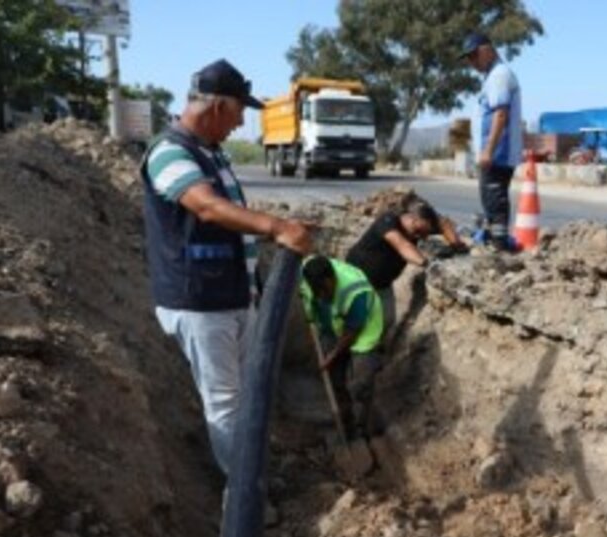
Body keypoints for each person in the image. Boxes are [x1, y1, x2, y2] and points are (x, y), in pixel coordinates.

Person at [141, 59, 312, 475]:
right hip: (199, 301)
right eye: (239, 113)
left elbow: (232, 213)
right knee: (224, 403)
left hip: (234, 294)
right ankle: (243, 493)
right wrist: (275, 227)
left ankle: (253, 466)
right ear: (219, 107)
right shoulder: (169, 152)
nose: (241, 124)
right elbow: (207, 207)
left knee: (246, 392)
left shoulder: (211, 153)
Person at [346, 196, 466, 338]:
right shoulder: (388, 221)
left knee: (387, 320)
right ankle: (344, 349)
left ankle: (374, 348)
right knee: (352, 320)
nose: (422, 237)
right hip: (355, 278)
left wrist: (456, 245)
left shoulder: (421, 226)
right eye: (419, 232)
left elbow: (444, 223)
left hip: (381, 284)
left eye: (425, 233)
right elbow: (403, 245)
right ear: (411, 218)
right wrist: (428, 264)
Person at [300, 255, 384, 440]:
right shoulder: (307, 272)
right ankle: (346, 425)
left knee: (361, 383)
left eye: (325, 290)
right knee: (335, 380)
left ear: (332, 278)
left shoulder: (355, 291)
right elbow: (307, 298)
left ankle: (365, 428)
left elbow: (351, 333)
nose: (322, 295)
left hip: (363, 331)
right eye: (317, 291)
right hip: (331, 327)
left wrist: (330, 357)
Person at [460, 32, 523, 252]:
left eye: (473, 56)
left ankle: (500, 248)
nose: (471, 62)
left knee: (495, 200)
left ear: (487, 50)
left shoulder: (499, 75)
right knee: (489, 199)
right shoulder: (492, 76)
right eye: (468, 58)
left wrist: (488, 150)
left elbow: (501, 114)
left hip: (498, 154)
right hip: (493, 153)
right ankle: (496, 242)